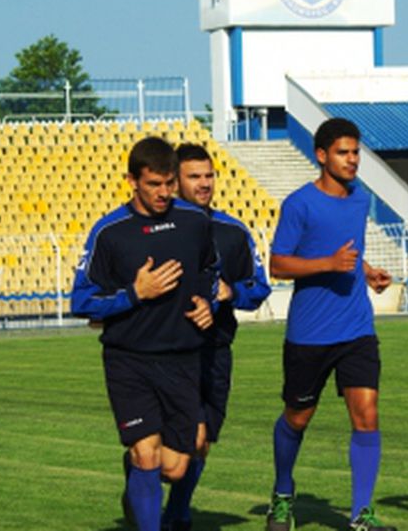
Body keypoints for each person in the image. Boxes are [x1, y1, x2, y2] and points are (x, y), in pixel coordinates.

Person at [70, 136, 218, 531]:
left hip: (184, 358)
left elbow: (211, 275)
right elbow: (82, 301)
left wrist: (209, 305)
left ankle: (137, 477)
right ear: (132, 180)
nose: (164, 192)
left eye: (169, 183)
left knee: (174, 466)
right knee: (147, 456)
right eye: (154, 184)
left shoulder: (194, 222)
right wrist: (137, 293)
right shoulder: (110, 232)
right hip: (128, 359)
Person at [265, 117, 396, 531]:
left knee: (367, 414)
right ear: (321, 156)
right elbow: (278, 264)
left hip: (356, 328)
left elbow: (349, 253)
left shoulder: (359, 199)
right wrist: (328, 264)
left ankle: (360, 514)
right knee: (297, 417)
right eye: (344, 152)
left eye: (356, 152)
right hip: (310, 333)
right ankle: (283, 493)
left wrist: (367, 271)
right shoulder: (299, 204)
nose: (353, 159)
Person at [159, 143, 272, 531]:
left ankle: (175, 509)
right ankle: (168, 504)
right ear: (175, 182)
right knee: (180, 440)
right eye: (195, 177)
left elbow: (259, 288)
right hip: (167, 351)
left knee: (202, 440)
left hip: (216, 349)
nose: (204, 184)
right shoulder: (156, 230)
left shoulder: (232, 232)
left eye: (209, 176)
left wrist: (232, 292)